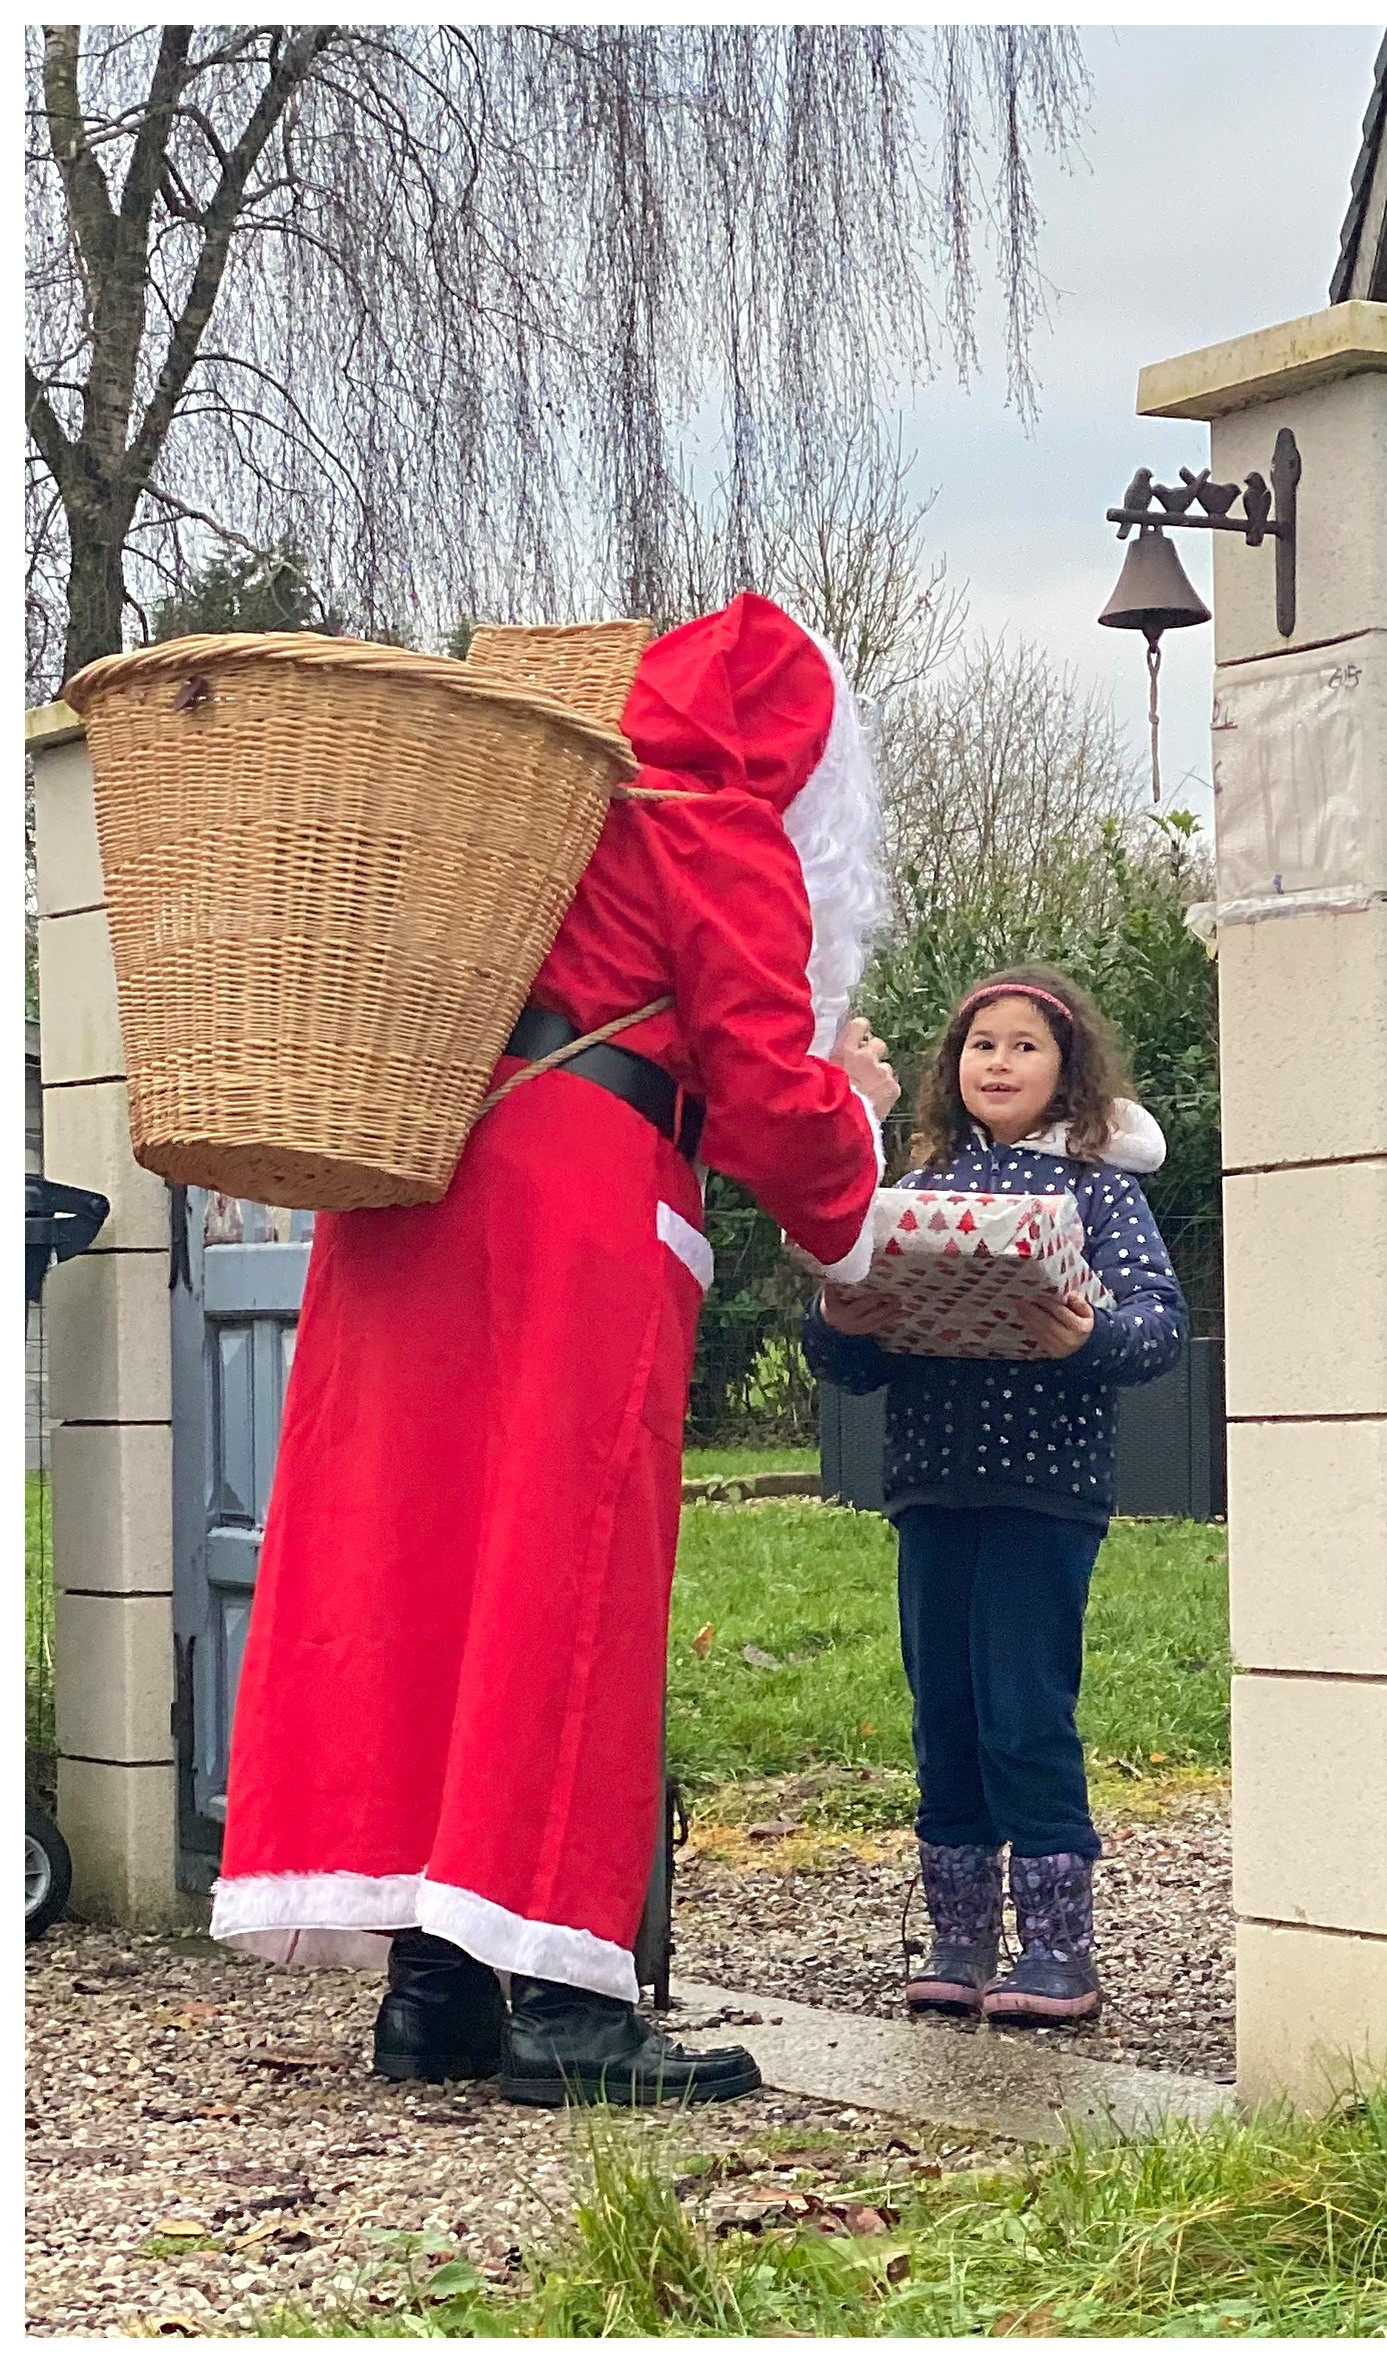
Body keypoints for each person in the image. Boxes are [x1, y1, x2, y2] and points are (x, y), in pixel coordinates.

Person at [211, 592, 903, 2105]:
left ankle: (433, 1985)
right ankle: (565, 2005)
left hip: (409, 1195)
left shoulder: (514, 803)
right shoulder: (697, 821)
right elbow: (768, 1087)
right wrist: (854, 1181)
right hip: (572, 1203)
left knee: (415, 1566)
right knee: (562, 1574)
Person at [803, 966, 1186, 2028]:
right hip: (931, 1487)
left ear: (1069, 1071)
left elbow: (1156, 1325)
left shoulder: (1099, 1191)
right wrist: (848, 1312)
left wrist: (1087, 1333)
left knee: (1024, 1709)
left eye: (1025, 1045)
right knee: (947, 1711)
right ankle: (960, 1935)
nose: (1000, 1063)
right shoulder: (918, 1188)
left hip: (1044, 1491)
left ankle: (1059, 1945)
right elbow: (843, 1361)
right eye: (982, 1045)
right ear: (952, 1067)